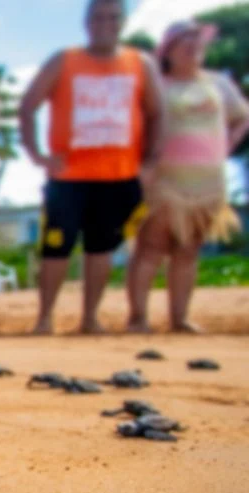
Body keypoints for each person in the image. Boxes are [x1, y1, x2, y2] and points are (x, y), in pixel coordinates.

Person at [18, 0, 162, 335]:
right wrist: (38, 156)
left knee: (102, 247)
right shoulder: (64, 60)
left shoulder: (140, 63)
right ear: (86, 22)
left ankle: (89, 319)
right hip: (68, 175)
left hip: (119, 174)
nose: (105, 23)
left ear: (123, 22)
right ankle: (44, 319)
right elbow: (28, 106)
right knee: (56, 246)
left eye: (113, 17)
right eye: (98, 17)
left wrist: (150, 161)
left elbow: (157, 113)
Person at [127, 21, 249, 334]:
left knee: (188, 249)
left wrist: (227, 143)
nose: (192, 49)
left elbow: (241, 116)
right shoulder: (155, 84)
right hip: (164, 179)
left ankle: (179, 319)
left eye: (197, 45)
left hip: (207, 182)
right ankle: (138, 318)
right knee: (151, 246)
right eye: (185, 44)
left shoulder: (219, 84)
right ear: (168, 49)